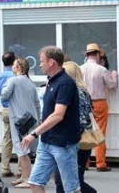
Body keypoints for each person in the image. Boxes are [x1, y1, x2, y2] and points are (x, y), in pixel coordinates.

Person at [21, 46, 81, 193]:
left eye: (42, 61)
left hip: (63, 144)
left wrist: (34, 133)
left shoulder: (65, 83)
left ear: (52, 62)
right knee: (35, 182)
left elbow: (58, 114)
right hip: (47, 141)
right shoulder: (51, 81)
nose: (40, 64)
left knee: (71, 189)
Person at [55, 61, 96, 193]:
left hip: (75, 140)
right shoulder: (84, 91)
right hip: (84, 139)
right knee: (73, 178)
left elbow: (80, 119)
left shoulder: (74, 91)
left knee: (67, 179)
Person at [1, 57, 41, 189]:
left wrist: (5, 85)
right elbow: (37, 103)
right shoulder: (30, 82)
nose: (12, 67)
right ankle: (24, 176)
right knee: (25, 149)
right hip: (31, 119)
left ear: (19, 67)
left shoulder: (12, 80)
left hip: (19, 119)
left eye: (14, 65)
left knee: (22, 150)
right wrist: (39, 119)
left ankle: (27, 178)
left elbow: (4, 96)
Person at [80, 43, 118, 172]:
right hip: (99, 103)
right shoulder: (101, 70)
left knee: (86, 133)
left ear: (87, 55)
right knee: (100, 133)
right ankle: (100, 163)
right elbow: (112, 85)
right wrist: (114, 75)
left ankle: (84, 162)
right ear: (97, 54)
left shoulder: (80, 69)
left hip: (84, 103)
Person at [0, 51, 16, 177]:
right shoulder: (15, 76)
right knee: (20, 138)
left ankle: (5, 167)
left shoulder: (0, 76)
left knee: (7, 139)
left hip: (5, 108)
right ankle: (21, 169)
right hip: (15, 109)